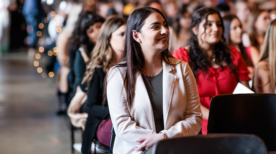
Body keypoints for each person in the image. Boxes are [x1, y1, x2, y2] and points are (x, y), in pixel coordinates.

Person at [106, 7, 202, 154]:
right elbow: (122, 126)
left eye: (165, 25)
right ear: (136, 36)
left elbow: (194, 117)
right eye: (156, 27)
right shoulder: (118, 75)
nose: (165, 31)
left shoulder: (181, 68)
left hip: (177, 146)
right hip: (137, 148)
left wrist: (163, 138)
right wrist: (153, 142)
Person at [173, 7, 250, 135]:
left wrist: (237, 115)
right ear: (195, 29)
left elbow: (246, 93)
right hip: (198, 120)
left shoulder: (232, 54)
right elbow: (182, 99)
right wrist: (216, 116)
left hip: (232, 117)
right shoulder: (182, 56)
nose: (216, 29)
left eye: (219, 24)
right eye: (209, 24)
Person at [81, 16, 126, 154]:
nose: (126, 38)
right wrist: (115, 112)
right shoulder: (98, 68)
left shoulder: (134, 64)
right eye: (121, 34)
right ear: (108, 38)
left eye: (128, 33)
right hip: (106, 120)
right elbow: (91, 106)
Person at [67, 11, 105, 129]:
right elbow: (83, 84)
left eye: (99, 27)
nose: (97, 32)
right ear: (87, 35)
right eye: (91, 31)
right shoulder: (83, 53)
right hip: (89, 95)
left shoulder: (113, 47)